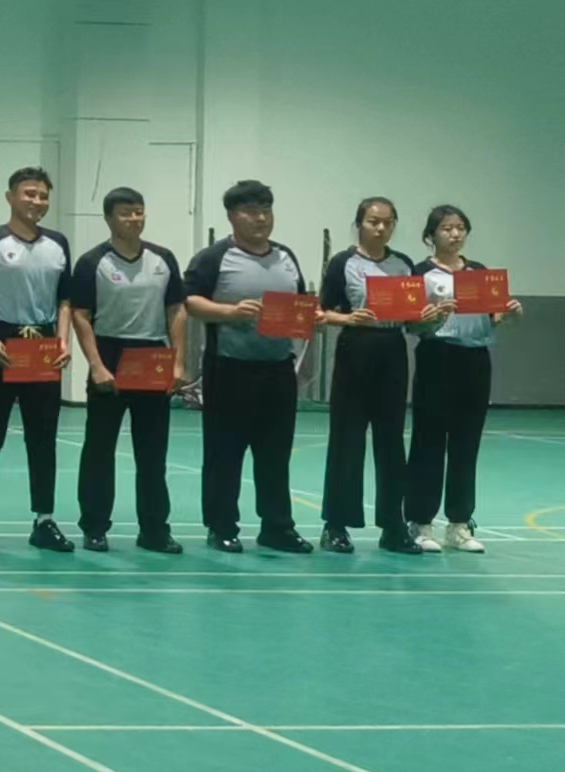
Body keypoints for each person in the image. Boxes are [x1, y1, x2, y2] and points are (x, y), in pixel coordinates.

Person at [184, 179, 315, 554]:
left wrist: (313, 319)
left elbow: (301, 306)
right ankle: (222, 526)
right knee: (224, 453)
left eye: (266, 210)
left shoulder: (286, 256)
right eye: (251, 211)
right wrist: (230, 312)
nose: (261, 218)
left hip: (277, 370)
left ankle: (277, 527)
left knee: (275, 454)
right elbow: (189, 301)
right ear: (232, 216)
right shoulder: (213, 258)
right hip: (229, 369)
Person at [0, 167, 76, 553]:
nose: (36, 201)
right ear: (10, 197)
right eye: (29, 194)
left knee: (43, 439)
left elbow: (65, 299)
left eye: (43, 195)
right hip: (1, 349)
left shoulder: (58, 243)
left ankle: (44, 520)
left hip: (43, 351)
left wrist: (63, 341)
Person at [69, 187, 189, 554]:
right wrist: (96, 366)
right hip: (110, 355)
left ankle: (154, 530)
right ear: (109, 218)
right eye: (125, 213)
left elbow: (176, 310)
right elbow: (81, 315)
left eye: (139, 212)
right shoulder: (92, 262)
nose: (134, 219)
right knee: (99, 450)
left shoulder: (163, 258)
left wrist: (178, 361)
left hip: (152, 356)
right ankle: (94, 527)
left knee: (152, 454)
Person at [318, 198, 429, 554]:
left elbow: (413, 319)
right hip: (356, 349)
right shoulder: (342, 263)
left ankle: (393, 526)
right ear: (359, 224)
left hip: (393, 351)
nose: (380, 228)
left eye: (387, 222)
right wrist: (348, 318)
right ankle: (336, 525)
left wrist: (429, 316)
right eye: (373, 221)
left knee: (391, 441)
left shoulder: (404, 264)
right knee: (347, 439)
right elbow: (320, 313)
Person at [408, 205, 521, 554]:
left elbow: (492, 316)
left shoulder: (479, 273)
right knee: (428, 442)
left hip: (474, 361)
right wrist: (431, 317)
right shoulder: (419, 272)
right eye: (447, 228)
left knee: (466, 443)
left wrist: (508, 313)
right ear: (431, 235)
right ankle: (420, 522)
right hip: (436, 358)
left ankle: (459, 524)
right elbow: (410, 323)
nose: (455, 234)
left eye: (460, 228)